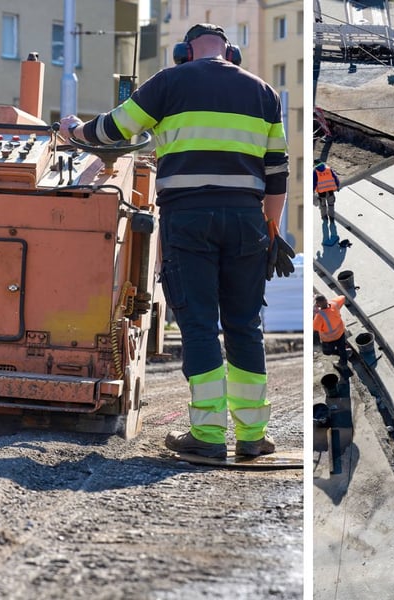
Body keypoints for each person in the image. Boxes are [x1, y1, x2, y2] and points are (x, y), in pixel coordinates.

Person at [60, 23, 292, 459]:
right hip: (247, 220)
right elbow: (277, 172)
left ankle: (207, 438)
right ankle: (252, 437)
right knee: (245, 327)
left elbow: (114, 130)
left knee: (200, 325)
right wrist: (272, 232)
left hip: (188, 218)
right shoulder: (264, 93)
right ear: (232, 53)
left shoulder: (169, 82)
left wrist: (75, 131)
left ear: (185, 52)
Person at [313, 294, 348, 368]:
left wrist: (315, 313)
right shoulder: (334, 304)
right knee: (342, 348)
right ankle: (343, 361)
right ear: (326, 300)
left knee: (327, 352)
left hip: (329, 339)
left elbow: (315, 328)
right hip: (340, 333)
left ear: (317, 304)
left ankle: (339, 352)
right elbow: (343, 297)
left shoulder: (319, 316)